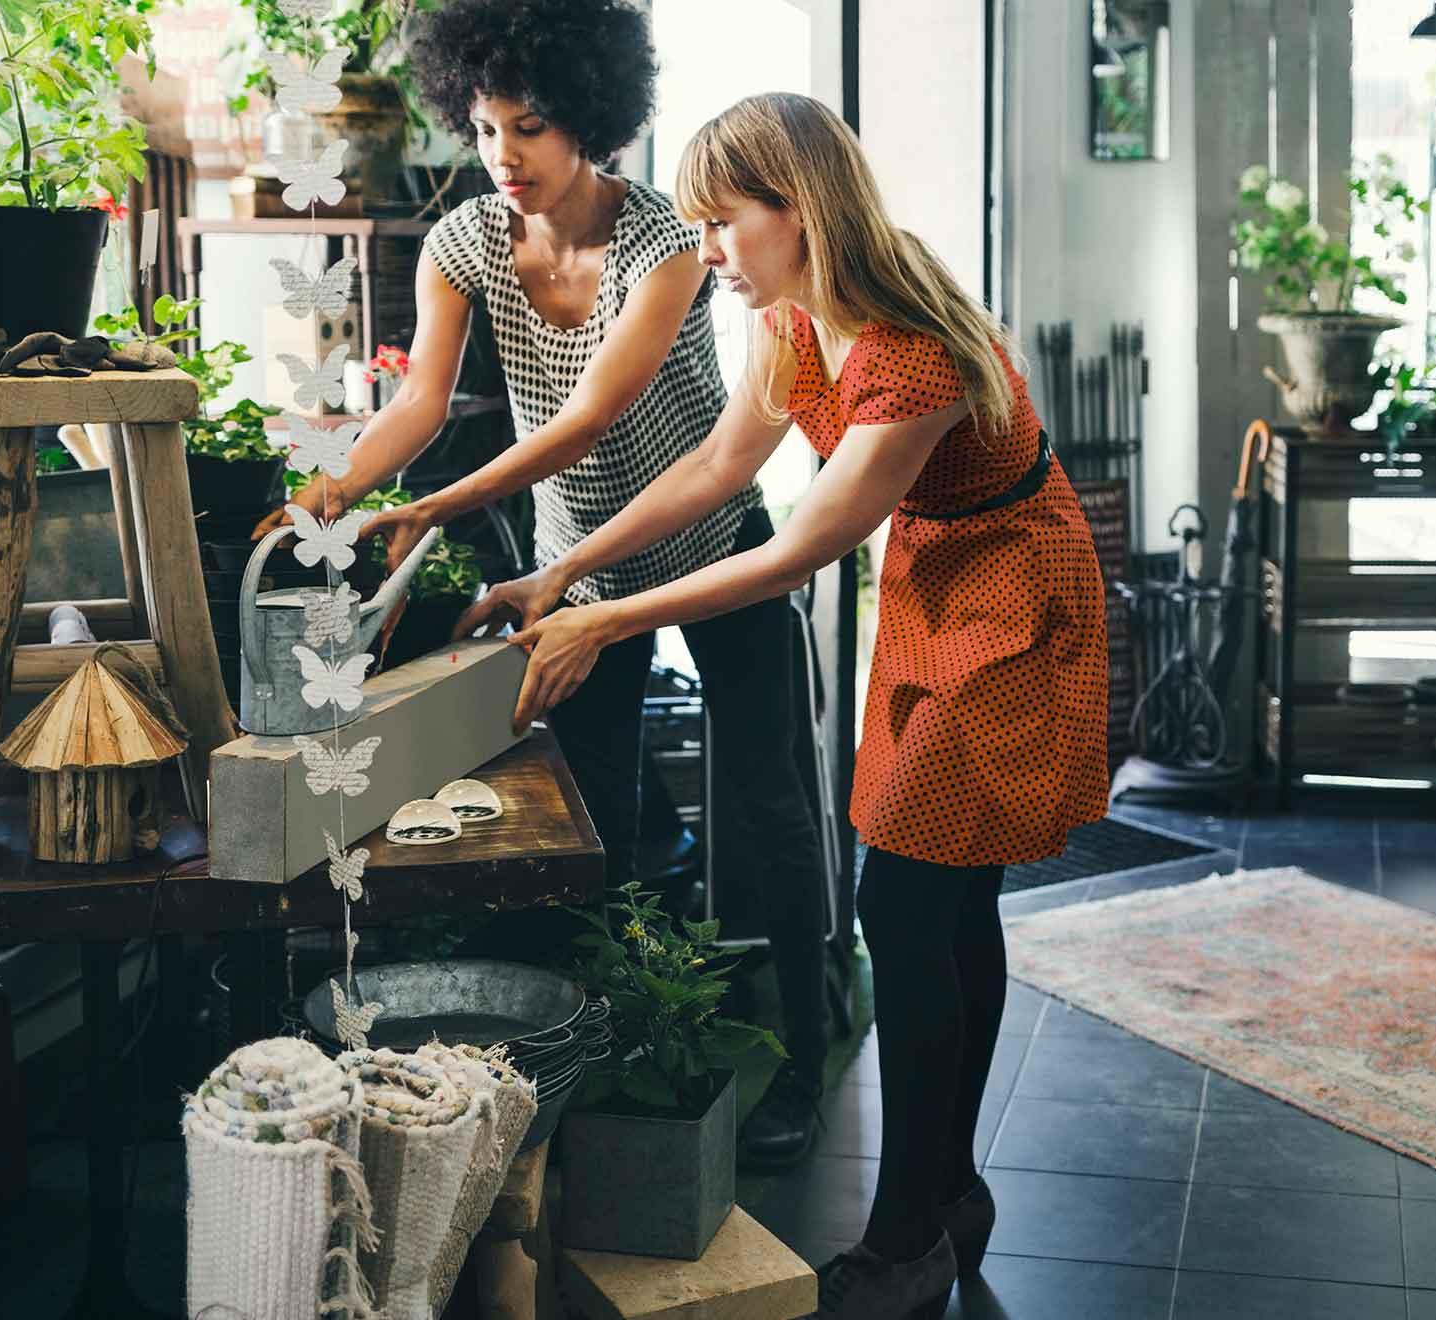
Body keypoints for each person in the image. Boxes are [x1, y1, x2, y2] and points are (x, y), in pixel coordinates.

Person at [473, 93, 1110, 1317]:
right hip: (934, 577)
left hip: (1014, 589)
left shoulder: (909, 346)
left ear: (799, 210)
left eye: (722, 221)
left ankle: (908, 1230)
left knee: (906, 891)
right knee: (943, 888)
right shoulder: (788, 323)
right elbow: (718, 469)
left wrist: (606, 619)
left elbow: (796, 549)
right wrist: (567, 566)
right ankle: (952, 1192)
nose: (703, 246)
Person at [252, 0, 831, 1165]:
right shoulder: (464, 242)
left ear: (594, 123)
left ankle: (806, 1062)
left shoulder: (666, 237)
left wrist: (434, 507)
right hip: (575, 559)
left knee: (771, 802)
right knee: (592, 823)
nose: (503, 157)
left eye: (531, 127)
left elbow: (590, 416)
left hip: (714, 539)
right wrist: (332, 492)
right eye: (482, 128)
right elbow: (418, 404)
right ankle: (602, 1063)